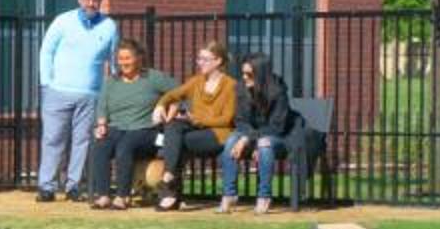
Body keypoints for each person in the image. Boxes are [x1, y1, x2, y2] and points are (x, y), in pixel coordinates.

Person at [35, 0, 117, 201]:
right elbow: (46, 52)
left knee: (83, 142)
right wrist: (46, 83)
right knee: (53, 139)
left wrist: (110, 91)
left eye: (96, 0)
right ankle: (47, 187)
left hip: (91, 95)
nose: (91, 4)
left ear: (101, 1)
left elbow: (114, 60)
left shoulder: (109, 26)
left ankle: (73, 187)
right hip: (57, 92)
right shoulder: (63, 21)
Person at [89, 38, 177, 209]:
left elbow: (179, 92)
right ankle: (103, 195)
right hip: (117, 127)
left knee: (125, 147)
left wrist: (166, 109)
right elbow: (102, 106)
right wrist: (101, 125)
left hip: (146, 130)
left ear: (138, 58)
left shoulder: (153, 77)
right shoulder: (111, 81)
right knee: (100, 145)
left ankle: (123, 196)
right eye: (120, 59)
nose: (123, 63)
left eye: (127, 58)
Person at [149, 41, 237, 210]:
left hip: (219, 134)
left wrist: (196, 119)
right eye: (199, 59)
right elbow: (172, 95)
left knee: (176, 141)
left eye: (204, 59)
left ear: (218, 61)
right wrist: (160, 105)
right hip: (197, 130)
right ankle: (169, 178)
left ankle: (171, 192)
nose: (199, 63)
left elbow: (226, 119)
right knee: (173, 126)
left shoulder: (230, 85)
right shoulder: (196, 81)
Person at [222, 55, 300, 213]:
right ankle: (229, 194)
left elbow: (277, 127)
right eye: (243, 73)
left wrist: (249, 139)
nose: (244, 77)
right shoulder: (241, 89)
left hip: (280, 137)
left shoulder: (277, 92)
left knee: (265, 144)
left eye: (249, 74)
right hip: (251, 134)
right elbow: (240, 120)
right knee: (231, 140)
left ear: (261, 74)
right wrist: (248, 138)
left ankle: (264, 196)